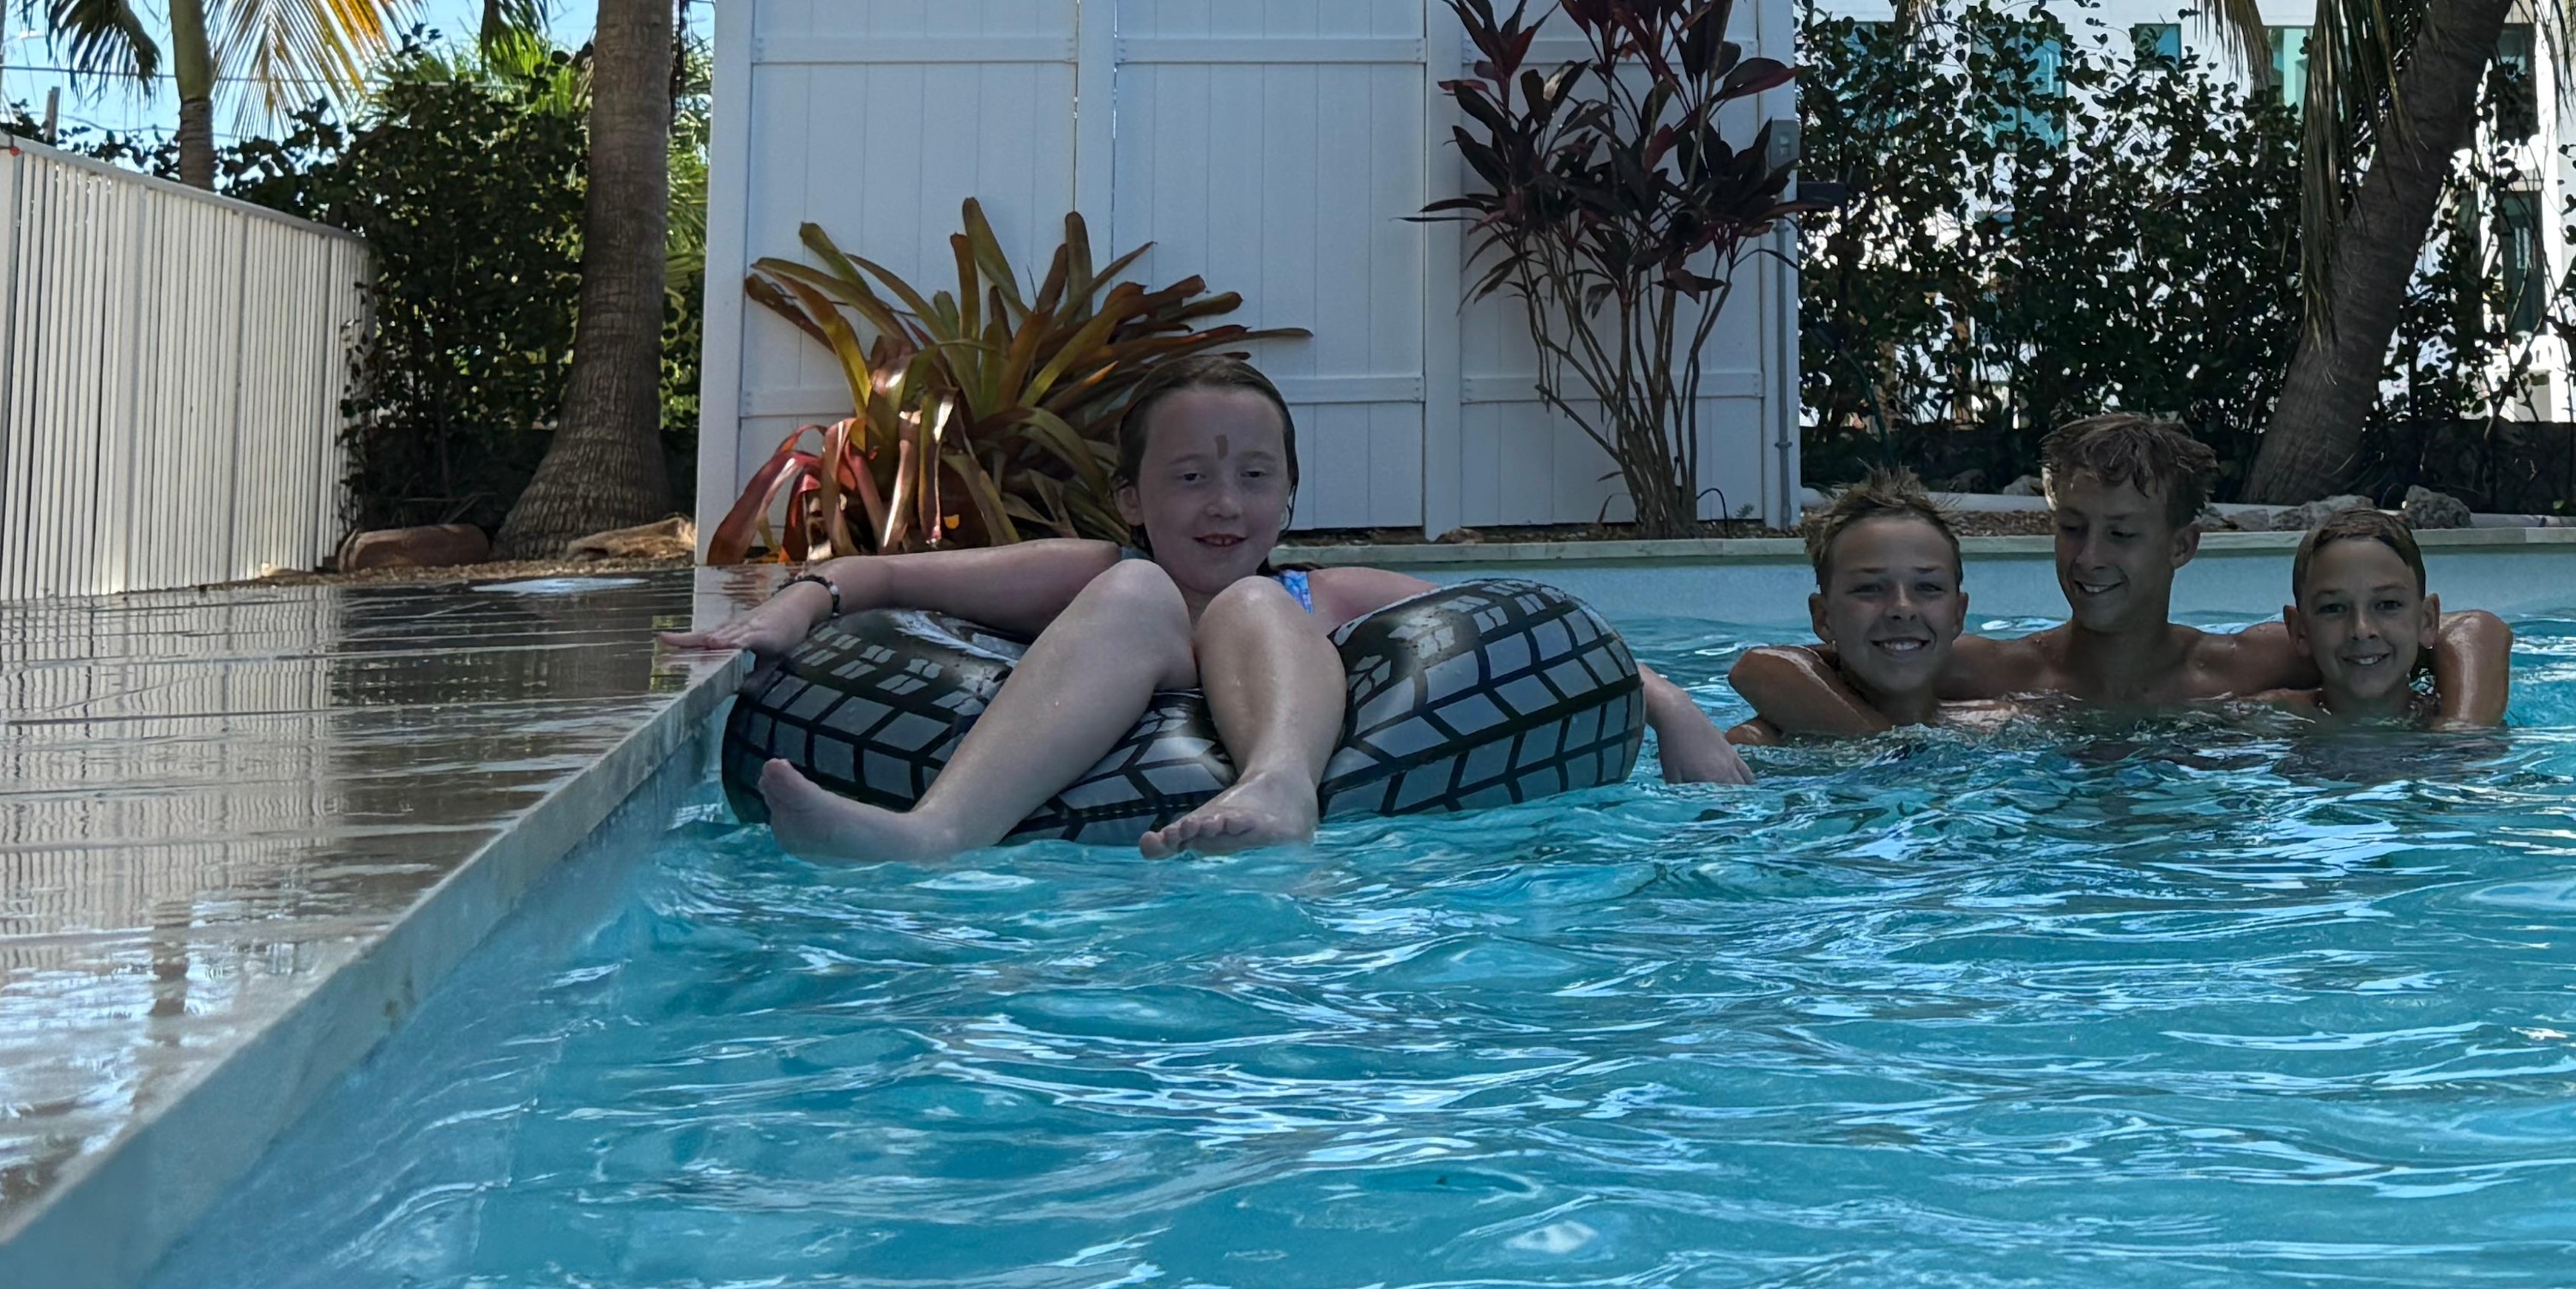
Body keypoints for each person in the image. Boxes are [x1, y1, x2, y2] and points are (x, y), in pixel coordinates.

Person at [671, 352, 1748, 860]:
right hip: (1114, 683)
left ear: (1289, 496)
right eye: (1189, 478)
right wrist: (790, 610)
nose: (1224, 503)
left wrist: (1668, 707)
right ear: (1133, 497)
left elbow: (1527, 635)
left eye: (1253, 476)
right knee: (1138, 590)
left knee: (1253, 605)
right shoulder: (1099, 571)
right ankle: (938, 833)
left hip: (1295, 769)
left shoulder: (1329, 591)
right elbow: (885, 577)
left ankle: (1278, 787)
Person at [1733, 411, 2311, 732]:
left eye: (2122, 535)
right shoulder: (1996, 672)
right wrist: (1883, 750)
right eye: (2073, 527)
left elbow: (2365, 641)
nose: (2089, 557)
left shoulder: (2250, 665)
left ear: (2182, 546)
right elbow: (1765, 668)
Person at [1731, 472, 1980, 740]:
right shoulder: (1760, 745)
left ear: (1958, 615)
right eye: (1869, 588)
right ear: (1823, 618)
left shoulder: (1995, 725)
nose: (1902, 608)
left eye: (1928, 587)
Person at [2265, 504, 2513, 728]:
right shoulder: (2267, 722)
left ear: (2427, 621)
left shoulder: (2462, 731)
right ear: (2299, 631)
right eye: (2333, 608)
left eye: (2387, 604)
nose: (2362, 630)